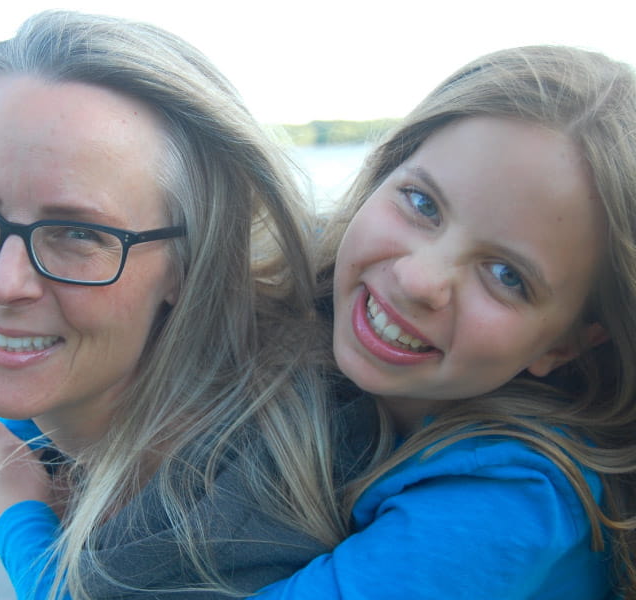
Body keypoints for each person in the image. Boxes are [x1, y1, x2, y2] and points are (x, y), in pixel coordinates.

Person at [0, 10, 369, 600]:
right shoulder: (136, 423)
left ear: (191, 263)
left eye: (77, 233)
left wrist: (21, 534)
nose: (4, 284)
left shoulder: (193, 549)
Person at [253, 45, 636, 599]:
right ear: (383, 174)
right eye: (422, 203)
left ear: (570, 343)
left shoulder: (513, 502)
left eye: (506, 275)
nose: (418, 280)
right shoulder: (285, 310)